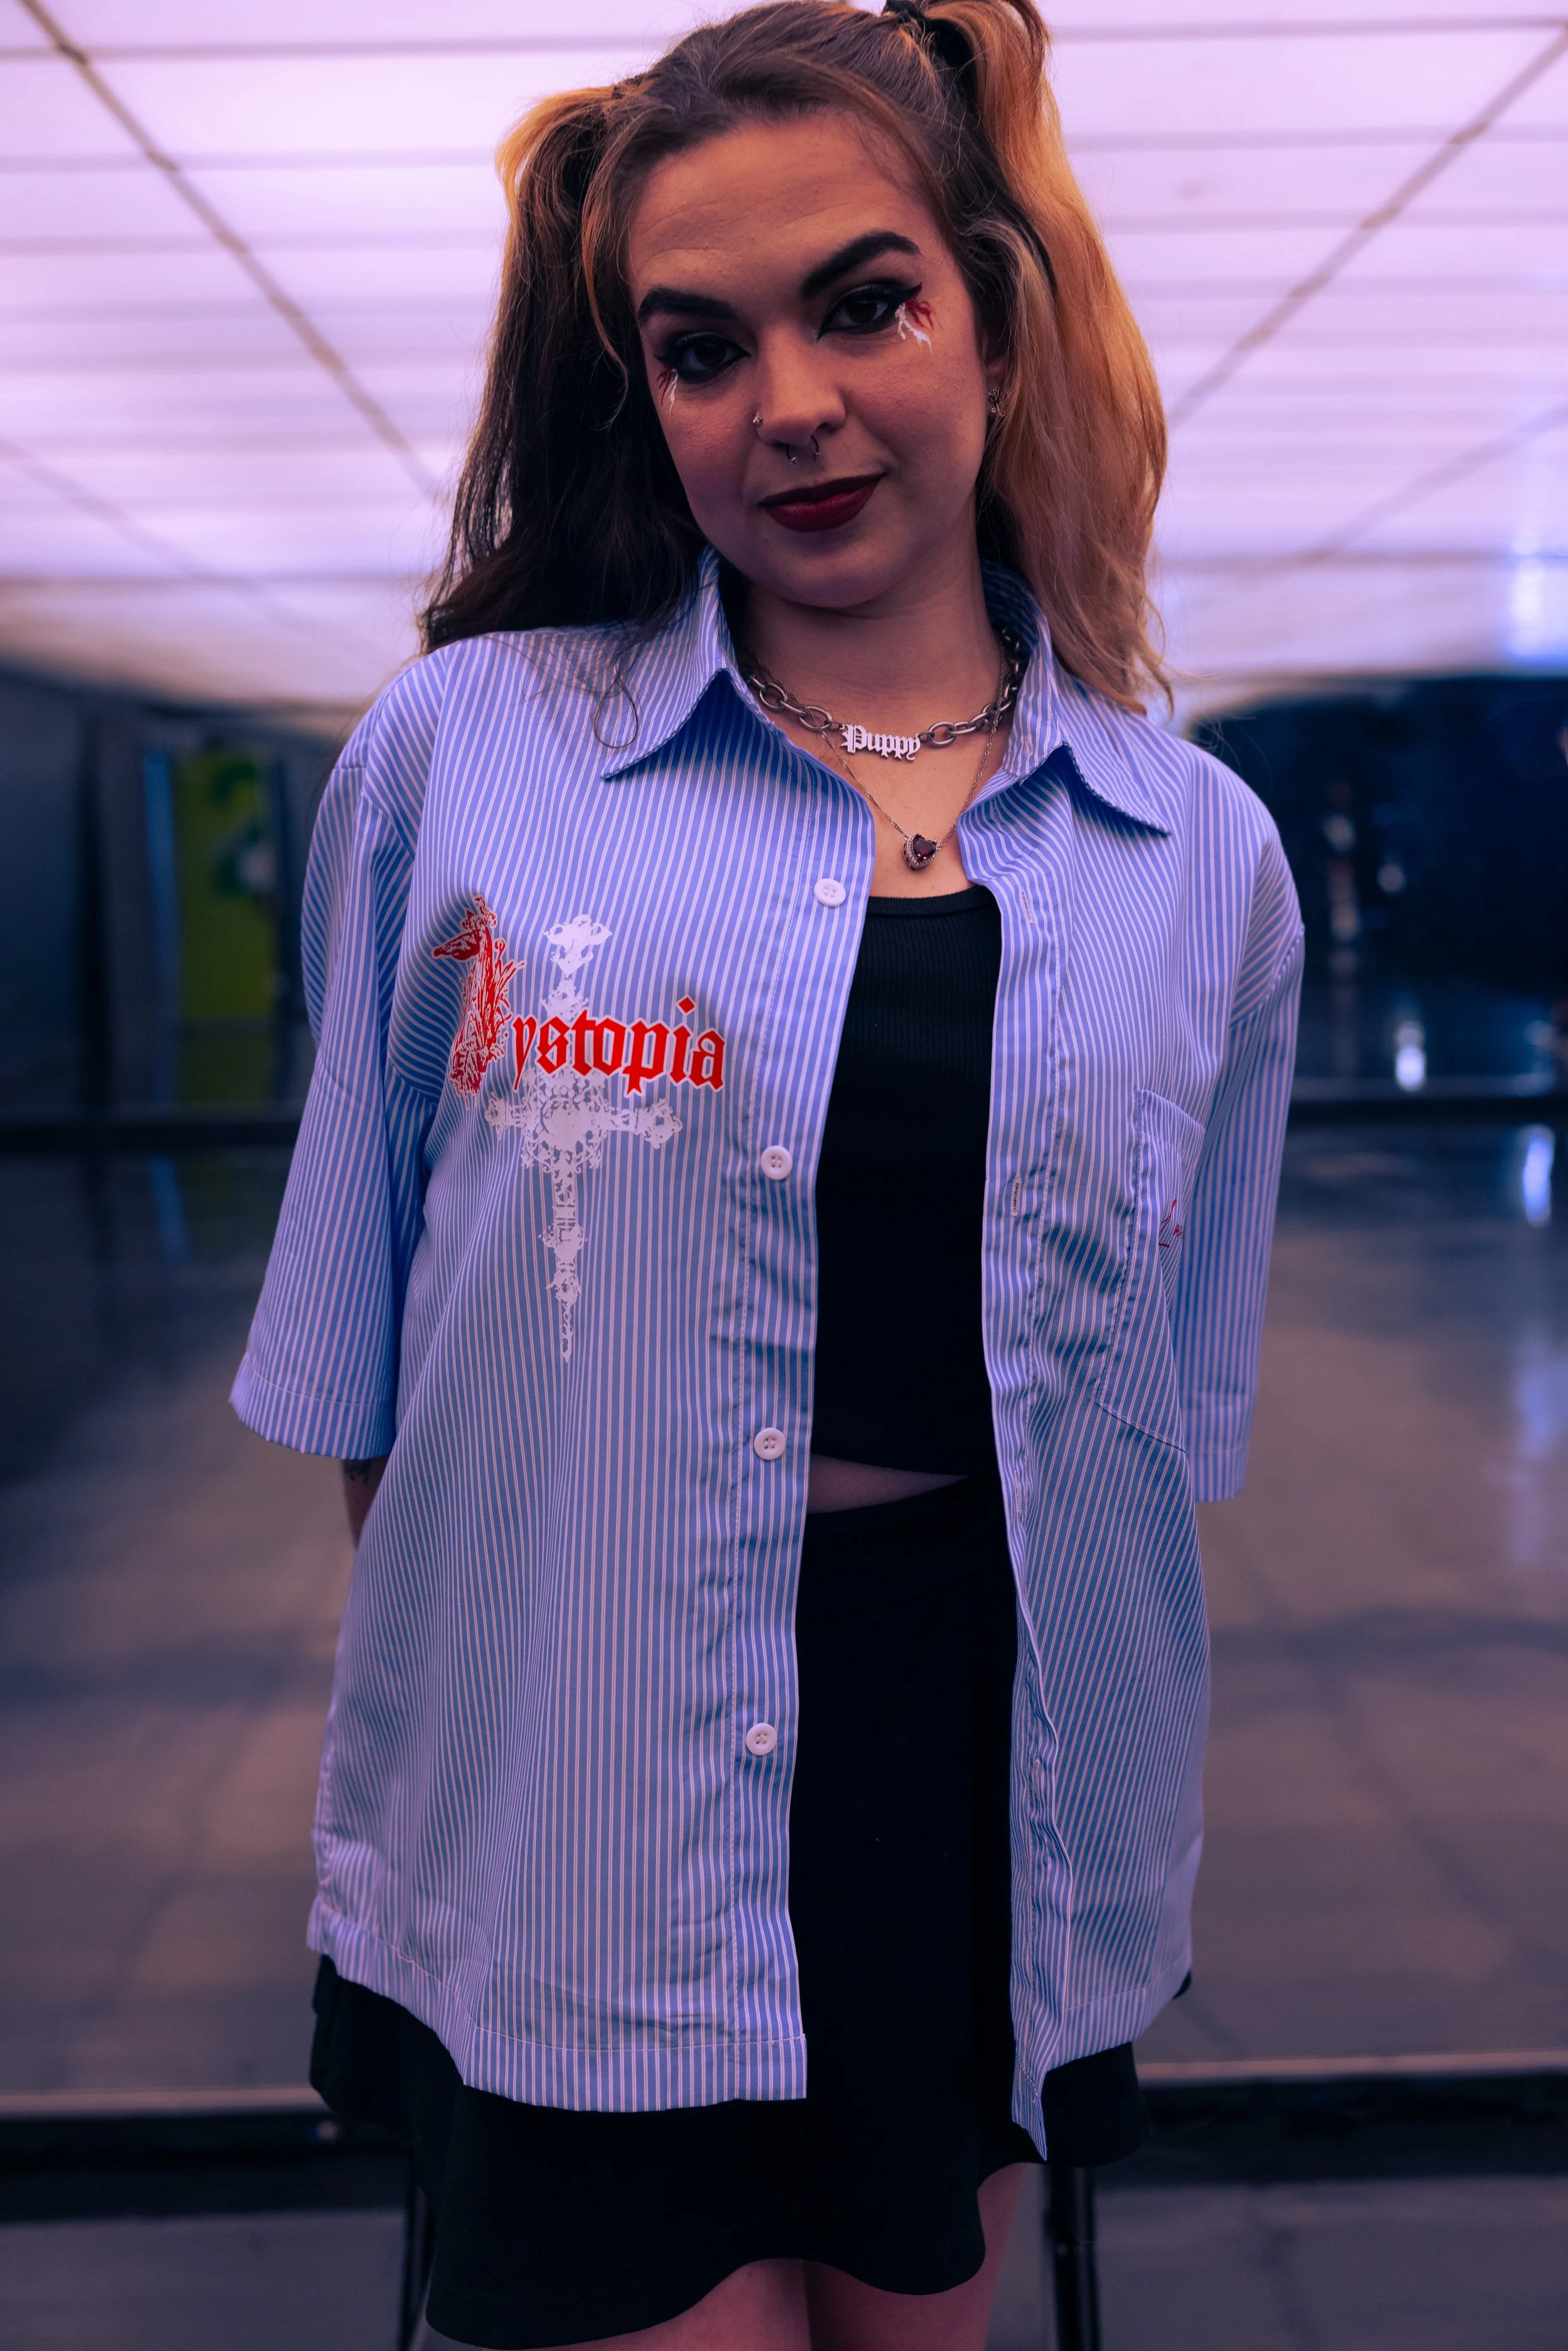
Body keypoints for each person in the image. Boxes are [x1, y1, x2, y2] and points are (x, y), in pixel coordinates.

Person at [232, 3, 1303, 2344]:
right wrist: (504, 1749)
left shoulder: (1197, 857)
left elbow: (1145, 1421)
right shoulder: (464, 760)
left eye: (863, 304)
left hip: (979, 1792)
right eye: (700, 348)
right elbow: (371, 1360)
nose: (787, 404)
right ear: (645, 395)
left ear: (991, 321)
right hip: (582, 1784)